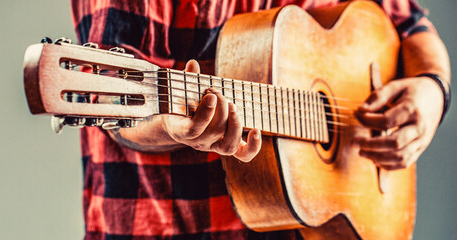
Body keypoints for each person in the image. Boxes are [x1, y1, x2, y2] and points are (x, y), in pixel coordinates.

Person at [70, 0, 451, 239]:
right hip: (173, 225)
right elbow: (112, 98)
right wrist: (172, 124)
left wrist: (433, 88)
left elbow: (410, 24)